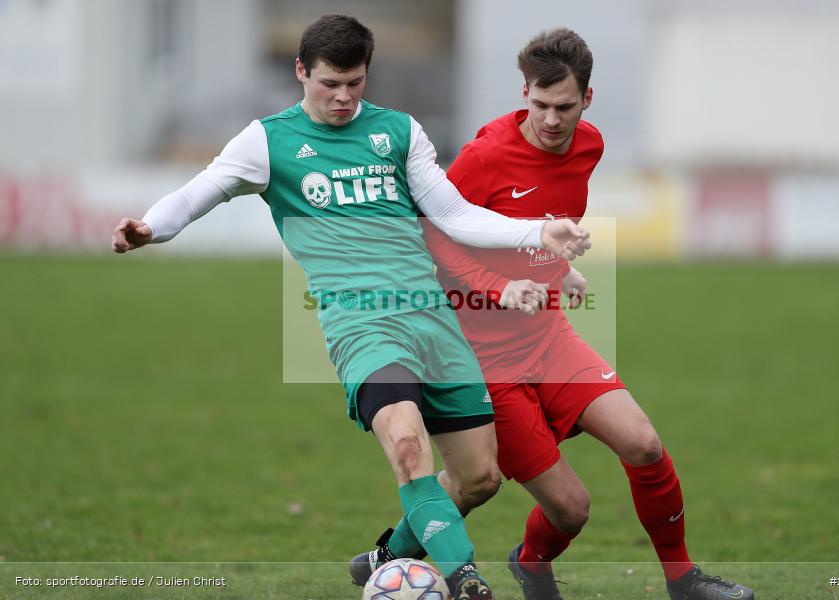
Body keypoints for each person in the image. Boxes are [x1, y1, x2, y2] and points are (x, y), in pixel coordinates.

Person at [110, 15, 592, 600]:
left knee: (480, 478)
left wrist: (535, 234)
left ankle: (390, 560)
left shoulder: (399, 132)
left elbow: (455, 214)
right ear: (301, 73)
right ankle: (465, 579)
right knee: (407, 443)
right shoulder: (268, 142)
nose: (342, 98)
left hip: (432, 319)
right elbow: (194, 195)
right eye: (329, 84)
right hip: (361, 325)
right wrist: (149, 228)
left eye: (355, 84)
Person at [349, 28, 754, 600]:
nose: (550, 119)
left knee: (643, 445)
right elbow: (434, 236)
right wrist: (499, 286)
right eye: (538, 104)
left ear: (586, 99)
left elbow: (544, 218)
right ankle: (410, 556)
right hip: (484, 361)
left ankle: (680, 580)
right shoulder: (485, 157)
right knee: (569, 508)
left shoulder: (590, 145)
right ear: (524, 93)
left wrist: (555, 270)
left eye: (564, 106)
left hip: (547, 336)